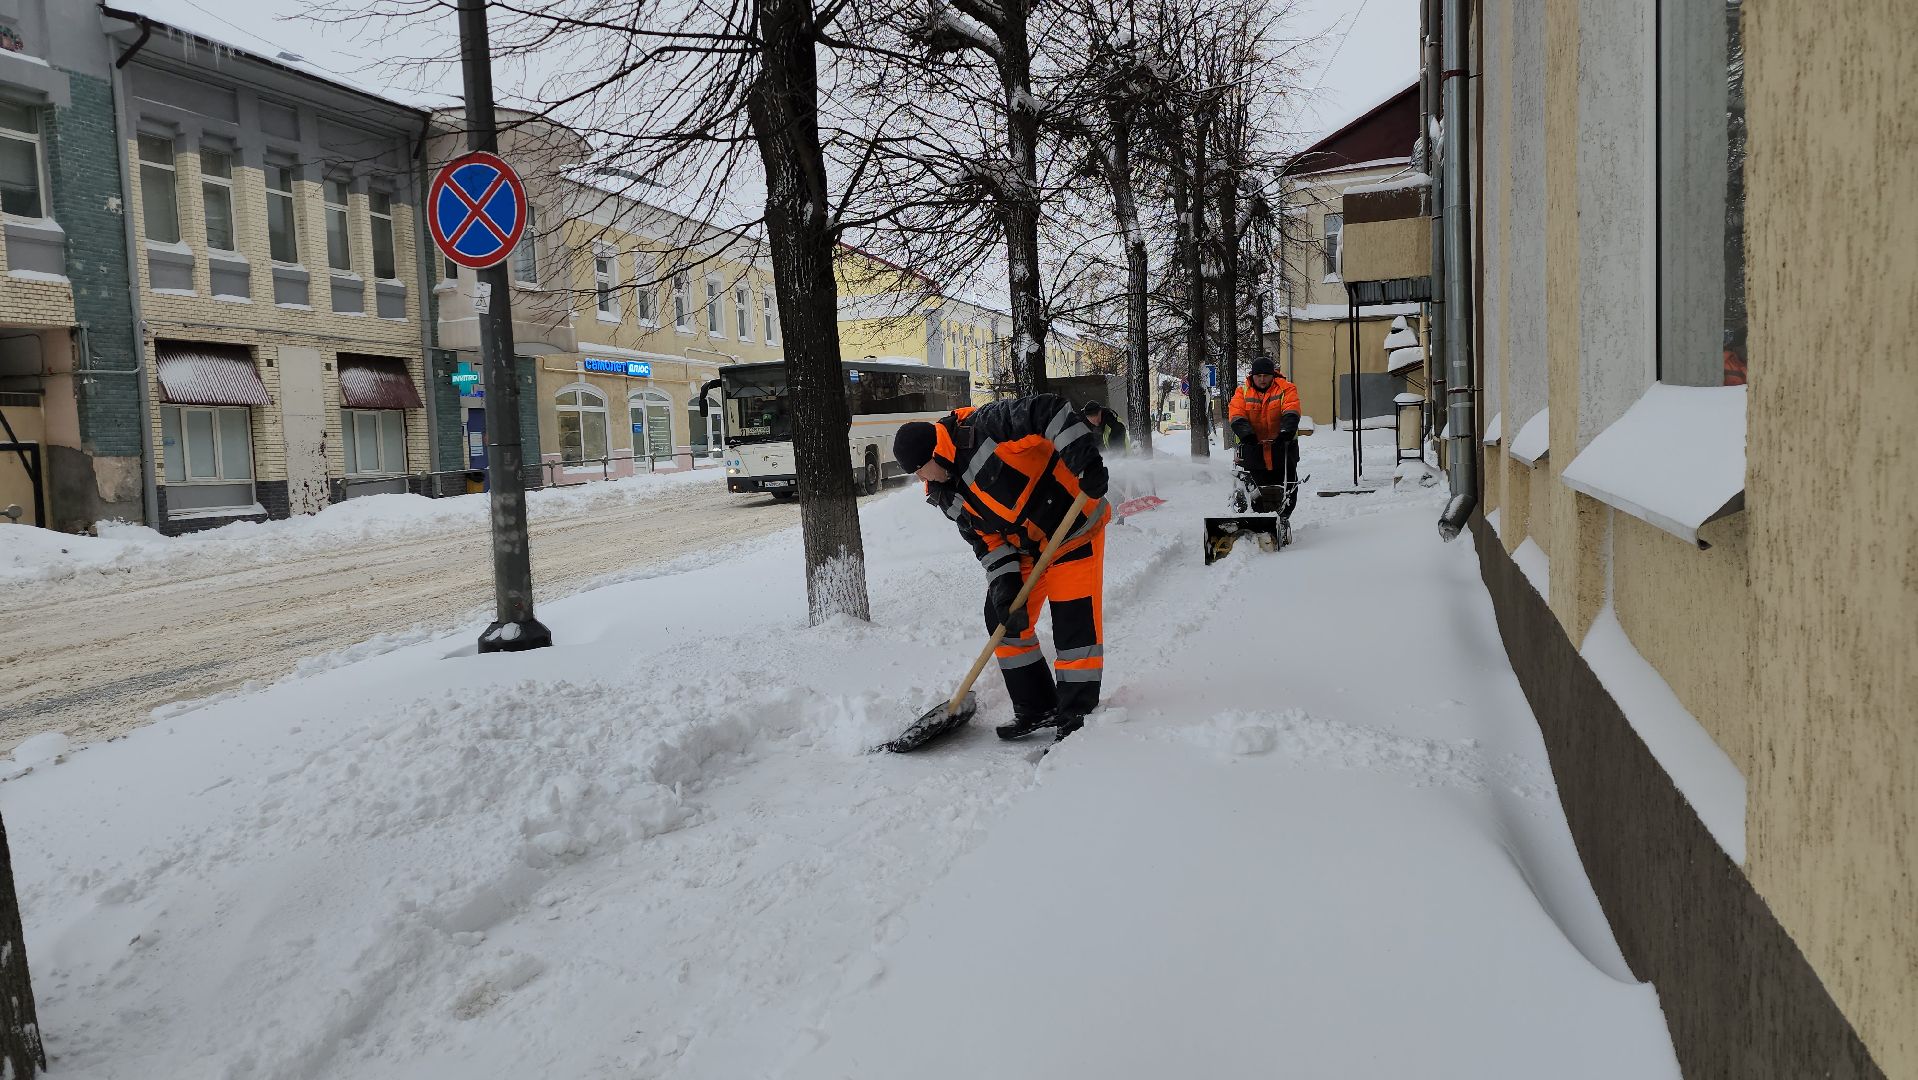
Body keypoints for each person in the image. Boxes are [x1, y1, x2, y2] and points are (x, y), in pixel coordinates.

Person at [893, 395, 1111, 742]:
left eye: (920, 469)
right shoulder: (943, 493)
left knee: (1074, 626)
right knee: (1002, 618)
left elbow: (1050, 411)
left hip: (1073, 527)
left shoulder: (984, 427)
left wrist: (1084, 461)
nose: (921, 478)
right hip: (1028, 546)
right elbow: (986, 541)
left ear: (934, 453)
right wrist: (1005, 583)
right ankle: (1038, 706)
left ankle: (1076, 719)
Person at [1227, 356, 1301, 519]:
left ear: (1272, 375)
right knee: (1254, 489)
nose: (1262, 379)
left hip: (1282, 449)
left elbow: (1291, 410)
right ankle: (1256, 518)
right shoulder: (1242, 392)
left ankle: (1282, 517)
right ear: (1252, 376)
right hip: (1254, 449)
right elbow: (1236, 414)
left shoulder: (1286, 389)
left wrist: (1285, 432)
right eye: (1258, 376)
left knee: (1286, 487)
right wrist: (1247, 435)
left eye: (1265, 376)